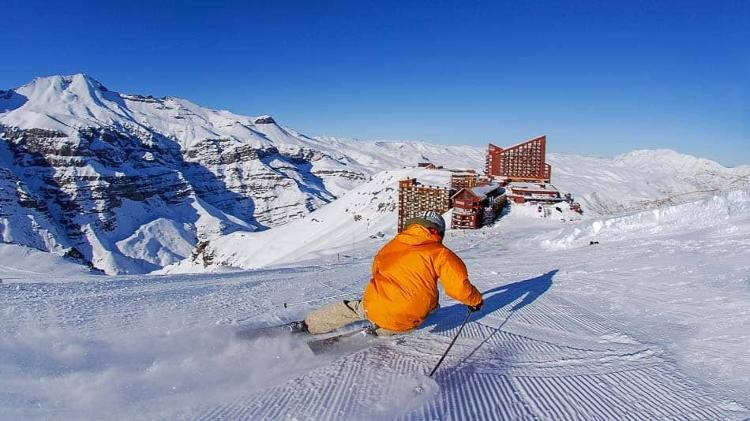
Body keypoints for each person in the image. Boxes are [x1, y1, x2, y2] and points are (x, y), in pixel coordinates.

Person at [295, 211, 484, 336]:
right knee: (423, 310)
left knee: (356, 308)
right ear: (438, 232)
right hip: (409, 315)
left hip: (376, 305)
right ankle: (373, 334)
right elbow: (458, 288)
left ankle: (308, 326)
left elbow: (376, 270)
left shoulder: (392, 245)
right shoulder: (442, 254)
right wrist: (475, 301)